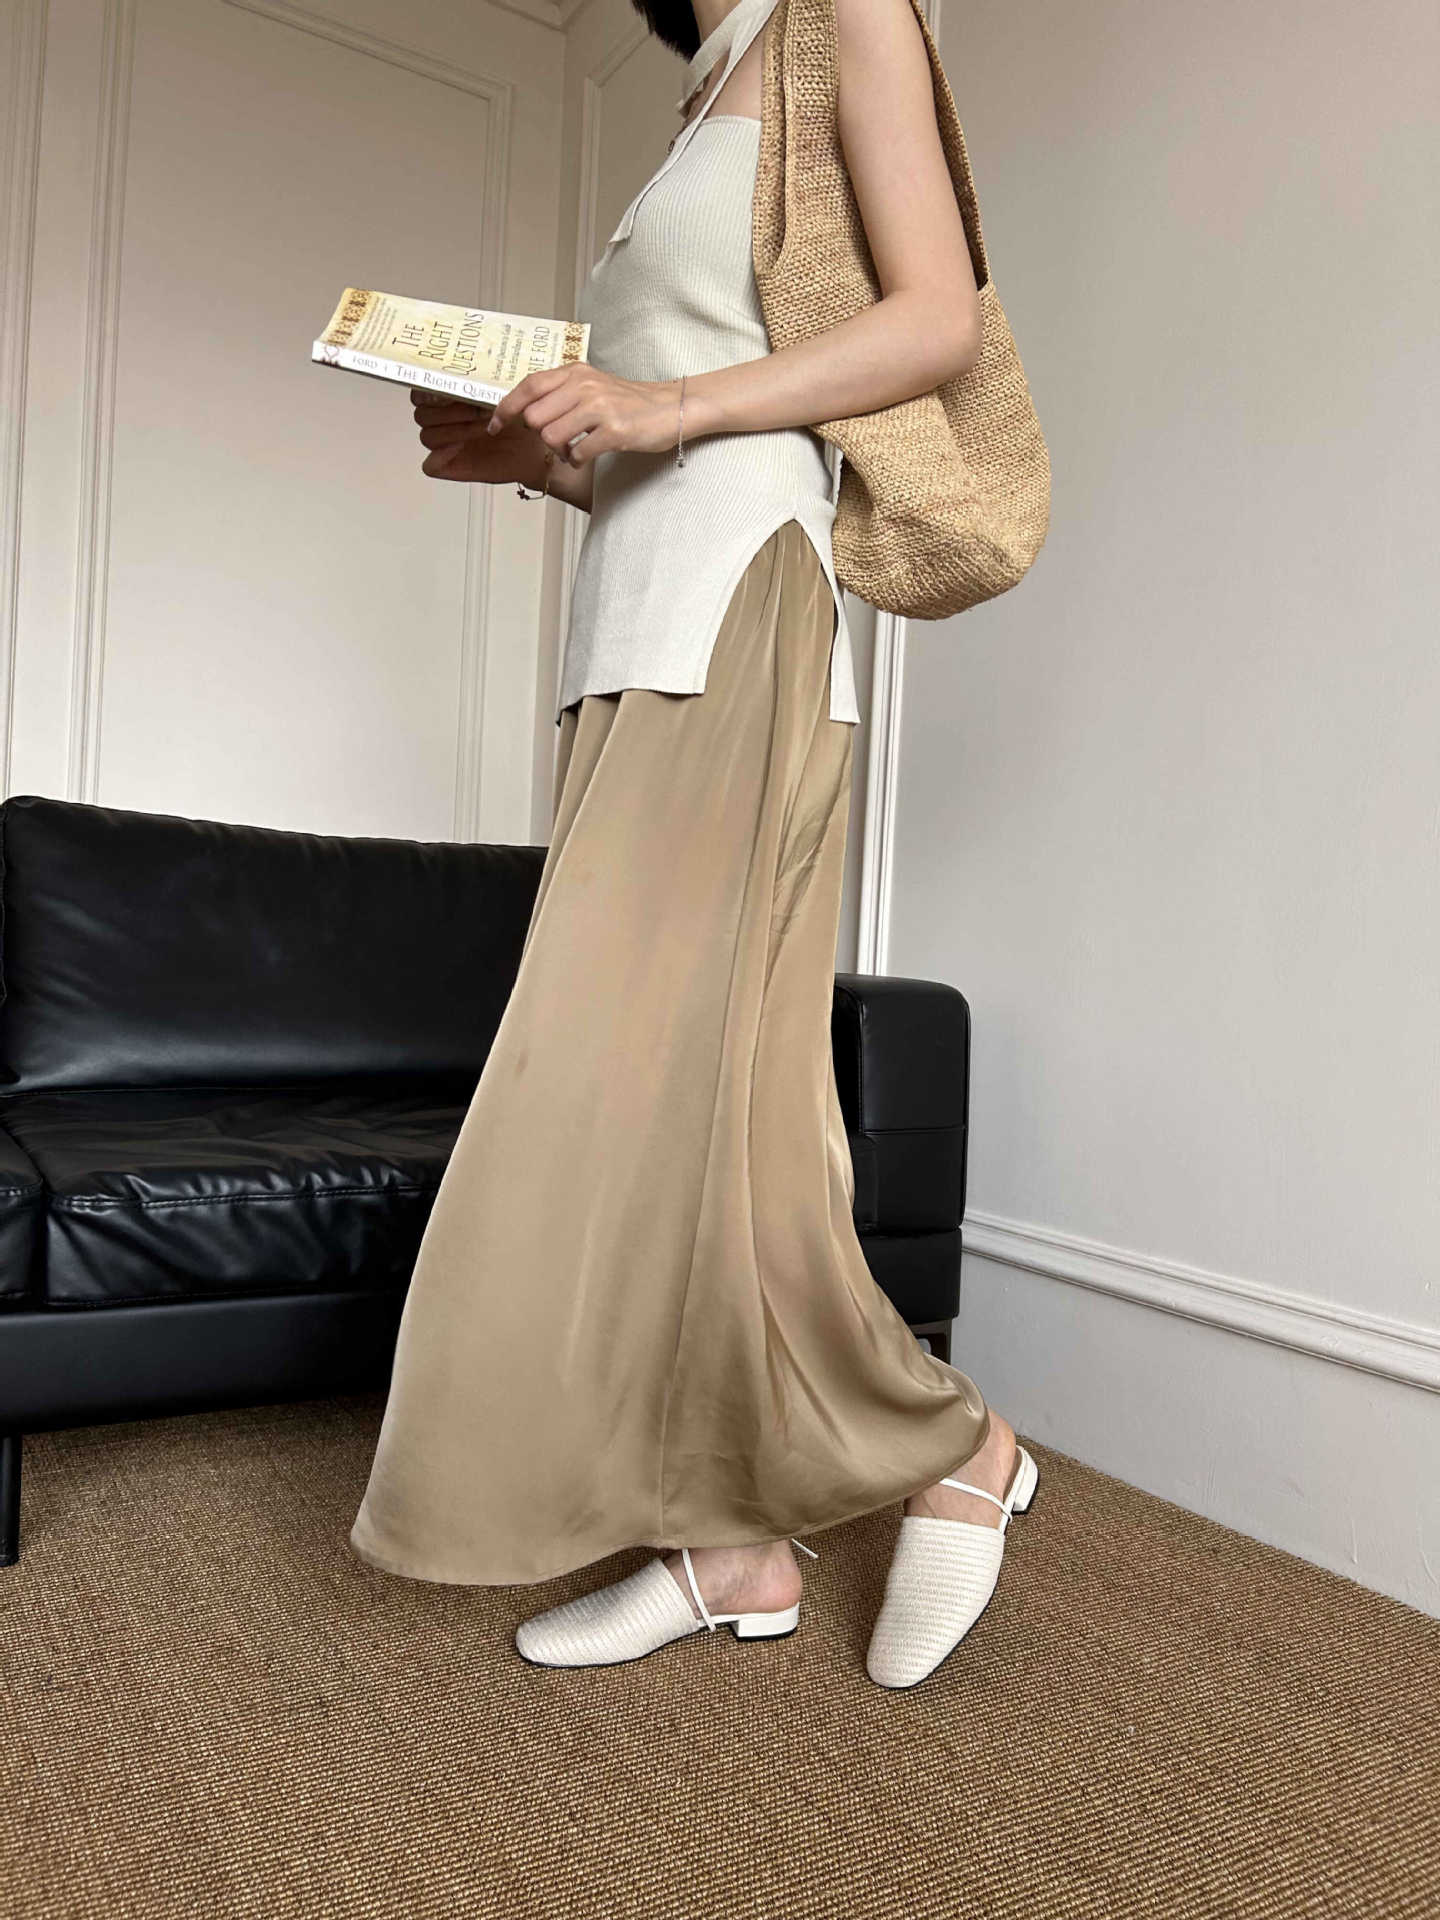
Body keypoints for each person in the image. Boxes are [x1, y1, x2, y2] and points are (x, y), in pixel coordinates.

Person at [350, 0, 1037, 1691]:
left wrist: (658, 407)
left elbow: (932, 320)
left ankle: (953, 1446)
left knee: (607, 1084)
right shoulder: (697, 101)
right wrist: (534, 462)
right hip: (631, 634)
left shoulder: (837, 16)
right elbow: (670, 440)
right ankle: (728, 1542)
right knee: (722, 1118)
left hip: (738, 612)